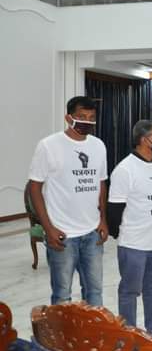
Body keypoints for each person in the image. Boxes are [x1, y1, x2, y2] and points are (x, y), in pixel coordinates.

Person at [28, 96, 108, 306]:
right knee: (62, 295)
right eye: (82, 116)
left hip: (92, 232)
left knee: (94, 292)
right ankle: (61, 330)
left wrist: (102, 219)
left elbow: (101, 184)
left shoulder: (98, 146)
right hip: (62, 234)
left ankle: (92, 328)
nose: (87, 121)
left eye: (91, 117)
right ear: (68, 118)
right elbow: (34, 188)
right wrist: (48, 228)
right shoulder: (48, 145)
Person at [108, 120, 152, 337]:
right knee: (130, 291)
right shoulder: (125, 169)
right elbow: (115, 209)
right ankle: (129, 334)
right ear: (144, 140)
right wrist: (119, 233)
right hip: (134, 244)